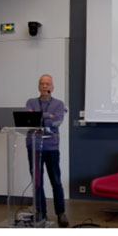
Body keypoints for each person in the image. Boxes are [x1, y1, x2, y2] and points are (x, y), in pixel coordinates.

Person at [26, 74, 68, 227]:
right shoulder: (30, 102)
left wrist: (40, 117)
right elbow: (29, 121)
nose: (45, 86)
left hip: (51, 147)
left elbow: (57, 121)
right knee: (37, 182)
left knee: (56, 181)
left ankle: (61, 213)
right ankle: (40, 212)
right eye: (42, 84)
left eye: (48, 84)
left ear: (52, 87)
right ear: (38, 86)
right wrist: (47, 116)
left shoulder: (58, 103)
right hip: (34, 147)